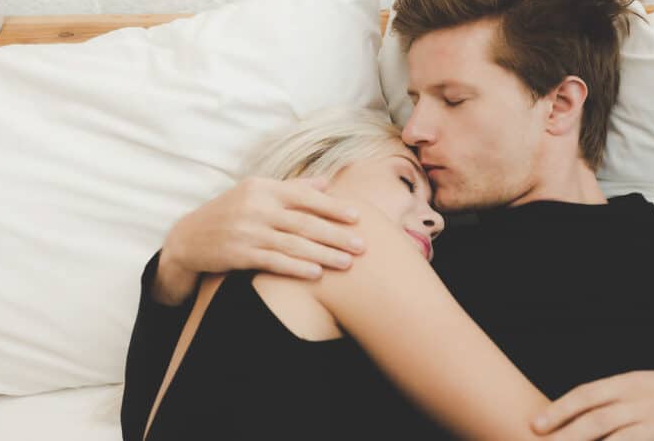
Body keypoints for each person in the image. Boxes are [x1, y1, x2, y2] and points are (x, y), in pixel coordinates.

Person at [124, 0, 654, 440]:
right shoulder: (405, 240)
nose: (416, 128)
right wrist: (177, 264)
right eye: (417, 99)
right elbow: (168, 418)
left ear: (559, 104)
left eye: (453, 100)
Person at [125, 107, 553, 441]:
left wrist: (176, 261)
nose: (435, 222)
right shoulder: (346, 241)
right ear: (312, 172)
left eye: (434, 208)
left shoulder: (224, 292)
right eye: (406, 182)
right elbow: (540, 432)